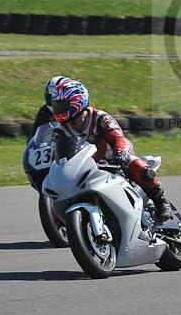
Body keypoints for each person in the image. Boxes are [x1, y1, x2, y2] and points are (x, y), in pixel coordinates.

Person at [50, 79, 173, 221]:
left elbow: (119, 138)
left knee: (137, 166)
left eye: (61, 105)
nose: (58, 109)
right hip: (85, 169)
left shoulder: (100, 118)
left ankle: (161, 202)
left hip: (114, 162)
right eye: (56, 105)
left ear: (76, 101)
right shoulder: (60, 131)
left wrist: (120, 153)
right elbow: (57, 158)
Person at [28, 75, 72, 140]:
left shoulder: (76, 111)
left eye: (56, 98)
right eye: (50, 97)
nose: (54, 102)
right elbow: (34, 136)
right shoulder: (45, 111)